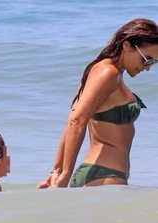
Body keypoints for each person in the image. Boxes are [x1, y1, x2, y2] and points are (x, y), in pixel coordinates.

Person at [37, 18, 158, 188]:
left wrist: (57, 170)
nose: (148, 67)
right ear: (127, 46)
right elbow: (76, 121)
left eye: (154, 62)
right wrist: (64, 174)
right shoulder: (107, 73)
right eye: (147, 59)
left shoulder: (105, 72)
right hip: (104, 175)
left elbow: (73, 118)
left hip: (102, 175)